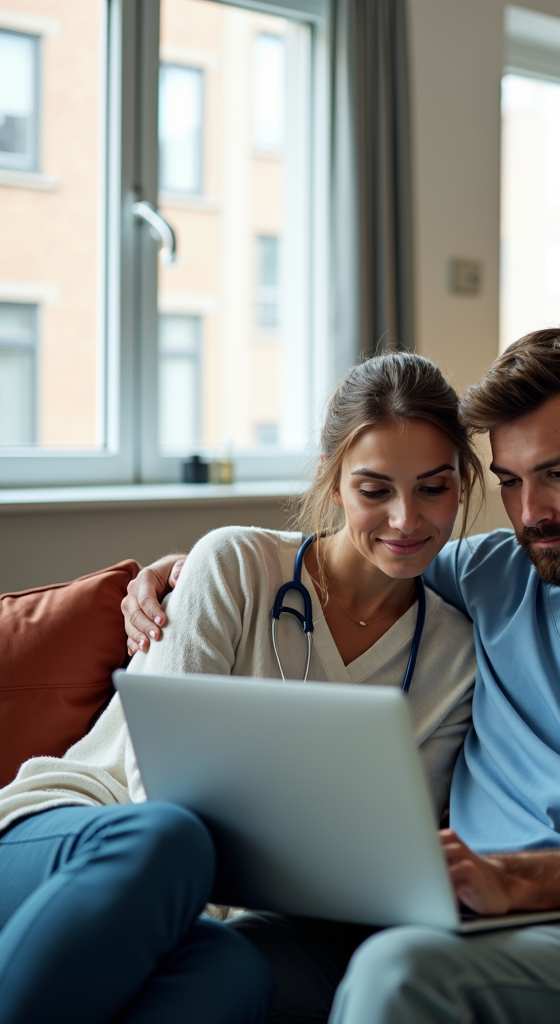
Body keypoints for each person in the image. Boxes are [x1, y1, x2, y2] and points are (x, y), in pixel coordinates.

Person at [128, 328, 560, 1024]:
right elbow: (359, 548)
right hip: (456, 924)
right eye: (510, 482)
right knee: (214, 958)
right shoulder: (496, 572)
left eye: (558, 474)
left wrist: (511, 880)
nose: (530, 514)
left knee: (402, 977)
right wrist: (189, 568)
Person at [0, 352, 481, 1024]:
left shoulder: (456, 655)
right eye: (376, 490)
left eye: (434, 488)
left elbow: (380, 854)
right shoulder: (235, 564)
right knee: (169, 838)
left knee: (235, 972)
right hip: (88, 835)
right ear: (334, 482)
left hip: (234, 907)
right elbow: (153, 781)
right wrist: (214, 904)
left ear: (463, 482)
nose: (407, 519)